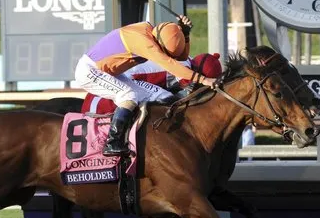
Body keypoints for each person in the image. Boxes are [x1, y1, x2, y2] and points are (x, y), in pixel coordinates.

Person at [74, 16, 217, 156]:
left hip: (110, 72)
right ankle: (112, 142)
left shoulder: (153, 31)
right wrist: (203, 80)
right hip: (89, 71)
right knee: (128, 95)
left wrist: (184, 34)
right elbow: (171, 64)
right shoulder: (144, 43)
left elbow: (181, 58)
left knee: (151, 95)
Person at [81, 52, 223, 115]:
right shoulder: (185, 69)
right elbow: (188, 97)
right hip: (110, 90)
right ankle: (115, 139)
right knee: (168, 100)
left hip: (121, 80)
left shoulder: (188, 61)